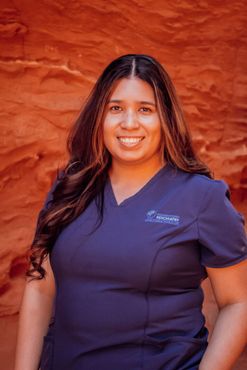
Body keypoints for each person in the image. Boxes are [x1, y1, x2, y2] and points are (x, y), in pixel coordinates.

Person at [15, 54, 247, 370]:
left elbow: (238, 302)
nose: (129, 123)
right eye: (115, 108)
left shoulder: (201, 197)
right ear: (99, 116)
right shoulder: (69, 188)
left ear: (165, 117)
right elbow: (40, 287)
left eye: (144, 109)